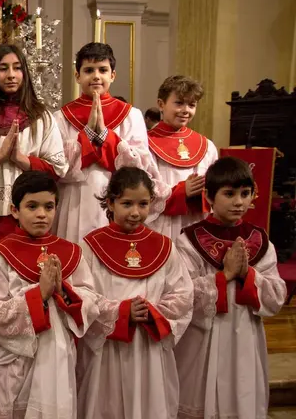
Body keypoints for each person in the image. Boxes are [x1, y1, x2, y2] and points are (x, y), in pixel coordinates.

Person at [0, 171, 99, 418]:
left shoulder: (71, 254)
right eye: (32, 206)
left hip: (58, 356)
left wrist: (64, 292)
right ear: (14, 210)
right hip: (14, 363)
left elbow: (92, 300)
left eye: (48, 206)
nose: (42, 214)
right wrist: (38, 295)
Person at [174, 157, 287, 419]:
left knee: (241, 394)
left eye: (245, 194)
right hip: (202, 337)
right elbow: (182, 295)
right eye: (229, 194)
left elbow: (276, 295)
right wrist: (224, 275)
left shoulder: (259, 240)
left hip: (244, 333)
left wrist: (247, 274)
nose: (239, 202)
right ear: (208, 196)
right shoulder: (189, 241)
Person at [77, 167, 193, 419]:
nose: (135, 212)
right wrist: (120, 312)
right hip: (108, 348)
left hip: (149, 344)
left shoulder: (164, 246)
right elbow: (81, 294)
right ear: (110, 202)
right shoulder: (90, 246)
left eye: (143, 204)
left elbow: (183, 294)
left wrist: (153, 312)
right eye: (127, 203)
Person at [53, 42, 167, 244]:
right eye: (89, 70)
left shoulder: (131, 115)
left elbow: (140, 166)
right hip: (73, 198)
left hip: (118, 199)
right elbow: (58, 166)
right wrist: (87, 134)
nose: (96, 76)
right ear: (77, 76)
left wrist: (106, 136)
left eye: (103, 70)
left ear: (113, 75)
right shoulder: (61, 117)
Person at [0, 44, 67, 273]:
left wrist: (20, 159)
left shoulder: (41, 117)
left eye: (17, 68)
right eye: (3, 68)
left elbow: (57, 168)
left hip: (32, 210)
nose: (11, 75)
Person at [147, 75, 218, 239]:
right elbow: (140, 189)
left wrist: (203, 192)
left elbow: (215, 187)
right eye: (179, 103)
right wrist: (181, 192)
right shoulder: (144, 144)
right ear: (161, 104)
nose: (186, 110)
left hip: (196, 221)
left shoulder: (206, 146)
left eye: (192, 105)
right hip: (161, 225)